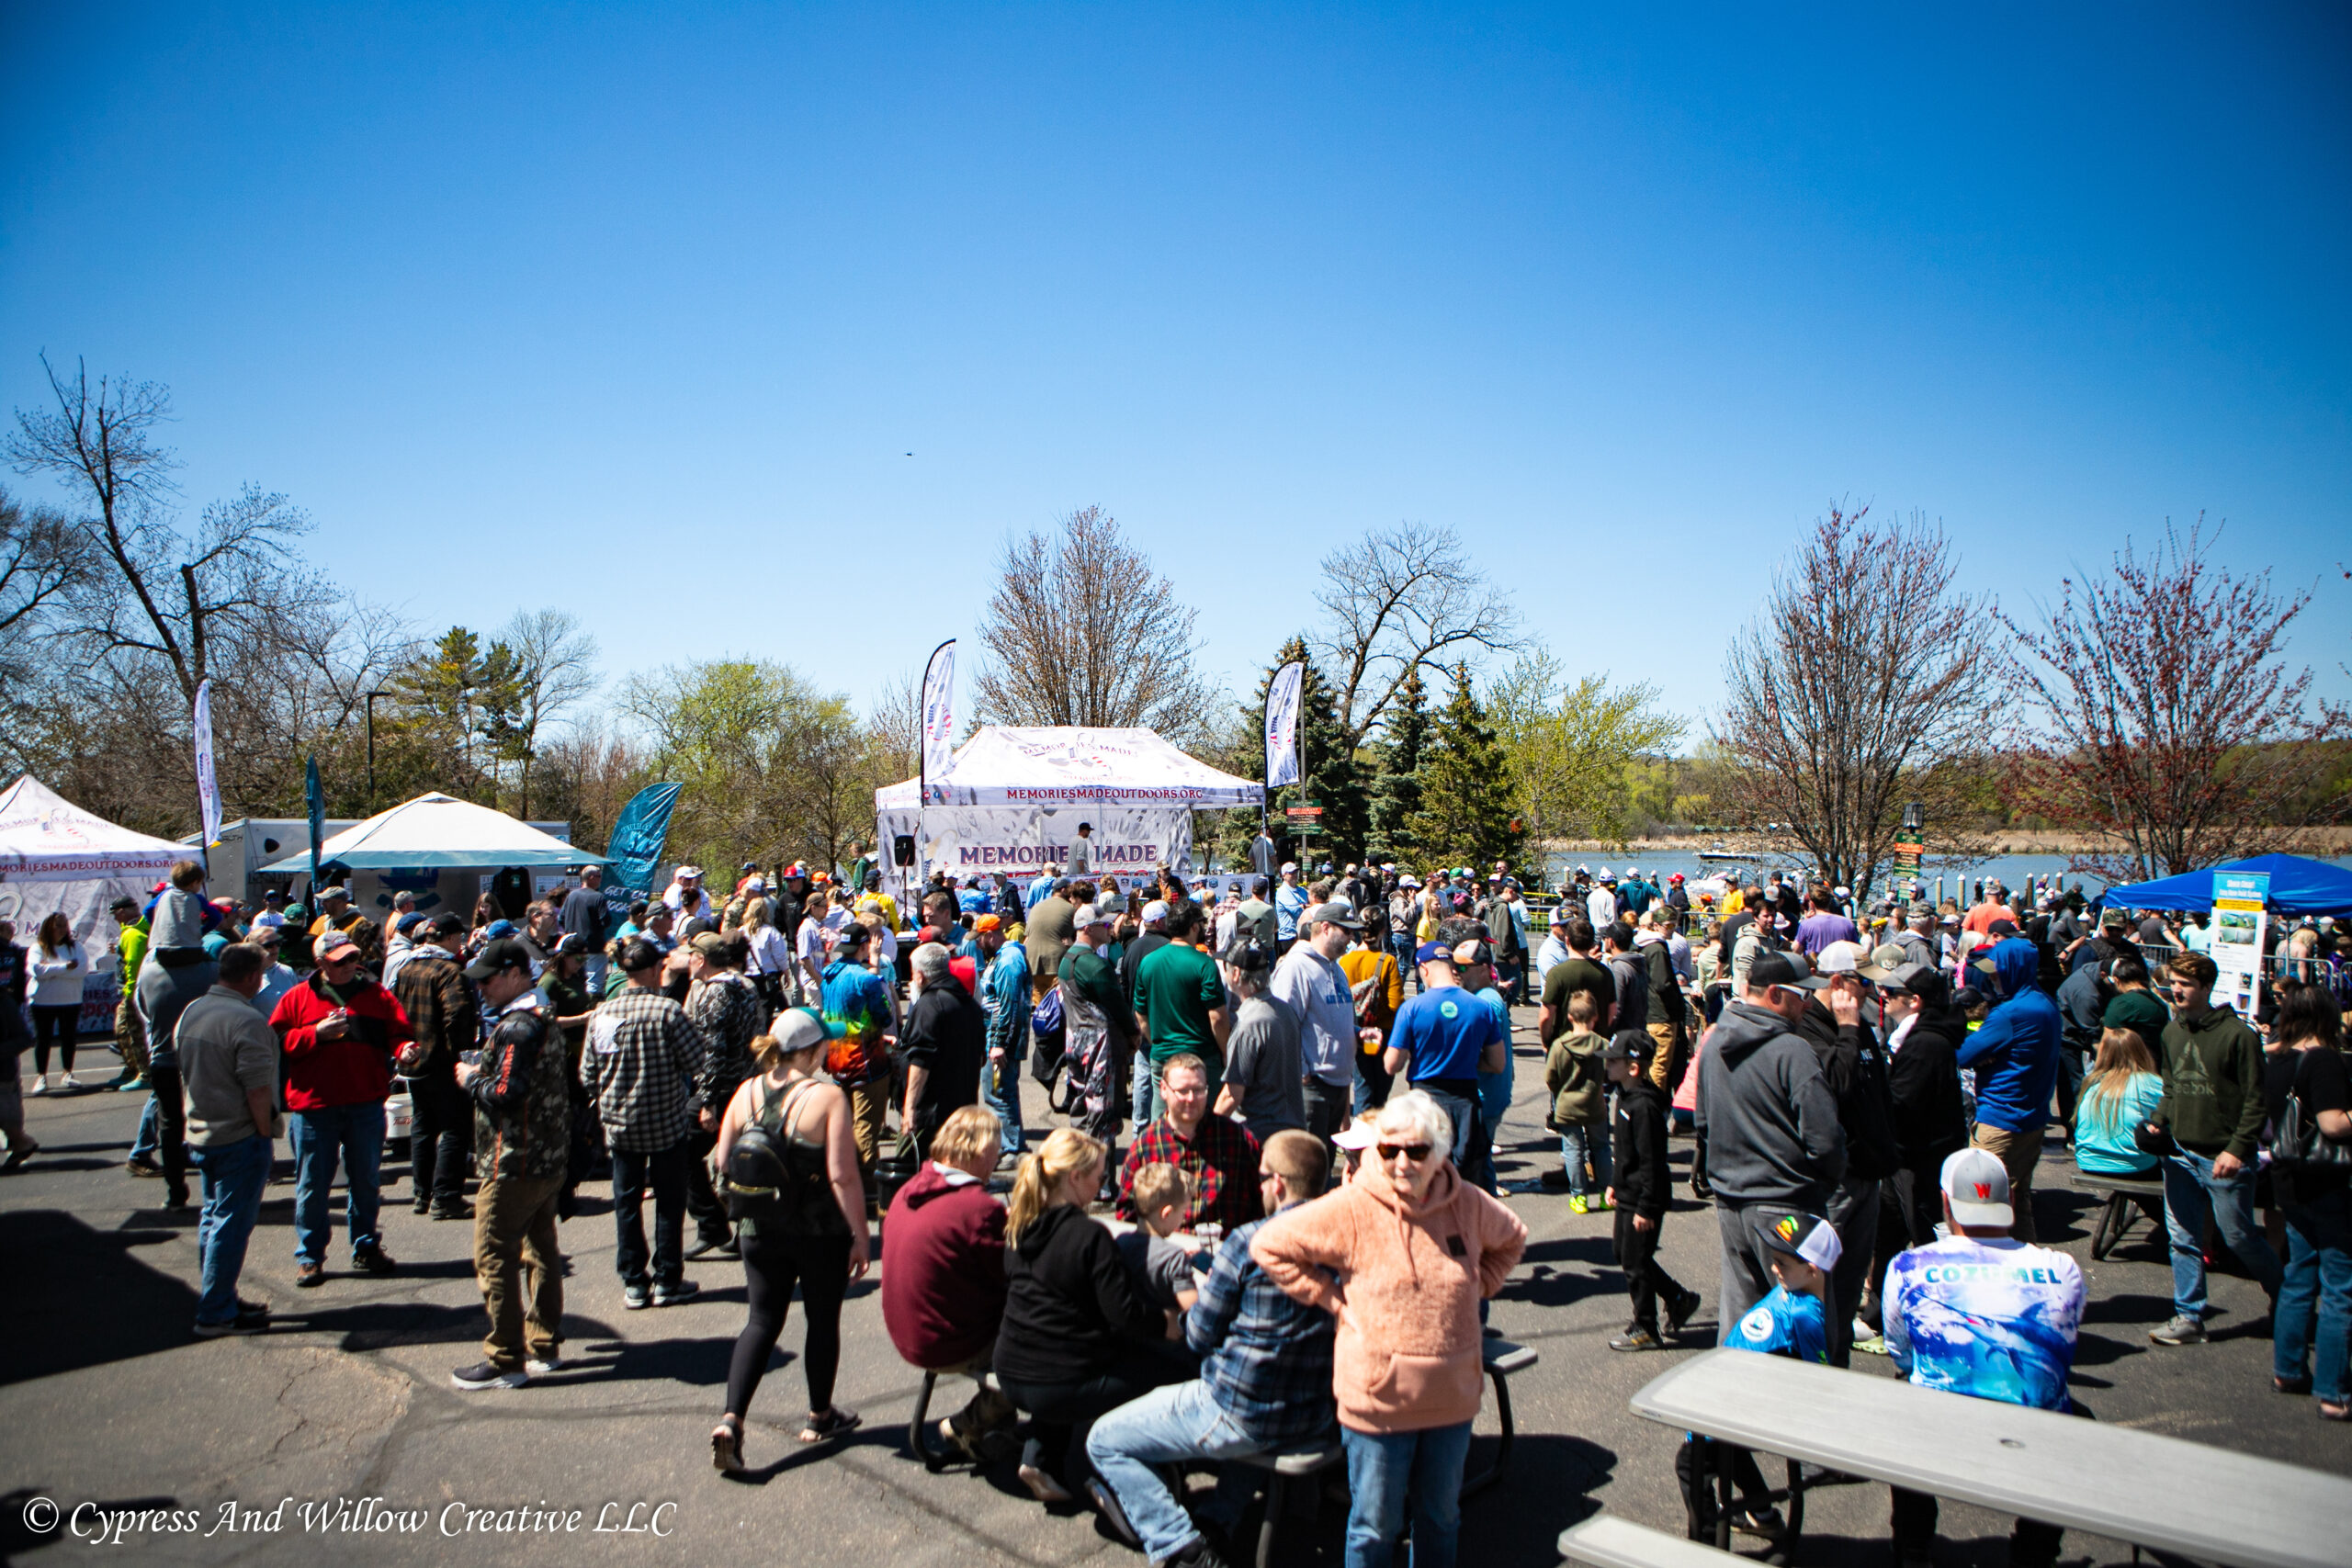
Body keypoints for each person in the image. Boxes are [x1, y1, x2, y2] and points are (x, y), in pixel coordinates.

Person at [1253, 1089, 1527, 1568]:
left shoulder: (1467, 1202)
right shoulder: (1352, 1206)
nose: (1402, 1162)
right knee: (1374, 1528)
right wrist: (1328, 1296)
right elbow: (1271, 1244)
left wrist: (1479, 1284)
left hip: (1451, 1398)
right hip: (1377, 1402)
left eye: (1416, 1151)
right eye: (1388, 1149)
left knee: (1441, 1518)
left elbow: (1512, 1238)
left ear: (1439, 1152)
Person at [1087, 1130, 1340, 1568]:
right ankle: (1219, 1519)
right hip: (1316, 1411)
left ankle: (1181, 1547)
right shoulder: (1347, 1240)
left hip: (1242, 1412)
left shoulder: (1251, 1241)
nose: (1260, 1187)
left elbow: (1199, 1335)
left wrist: (1190, 1308)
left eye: (1263, 1178)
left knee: (1103, 1441)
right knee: (1253, 1407)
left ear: (1278, 1184)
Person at [1883, 1149, 2085, 1568]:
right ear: (2008, 1199)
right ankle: (2035, 1555)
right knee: (2073, 1415)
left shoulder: (1908, 1265)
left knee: (1903, 1402)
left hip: (1943, 1434)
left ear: (1946, 1201)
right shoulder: (2062, 1268)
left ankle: (1913, 1547)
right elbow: (2061, 1348)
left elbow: (1900, 1353)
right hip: (2033, 1436)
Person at [708, 1011, 871, 1469]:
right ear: (811, 1051)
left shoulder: (747, 1091)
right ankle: (819, 1416)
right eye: (825, 1046)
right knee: (822, 1320)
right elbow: (842, 1176)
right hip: (819, 1230)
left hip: (760, 1227)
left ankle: (731, 1420)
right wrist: (861, 1235)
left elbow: (723, 1162)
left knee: (761, 1320)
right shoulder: (828, 1097)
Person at [994, 1128, 1184, 1506]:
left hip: (1010, 1369)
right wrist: (1167, 1322)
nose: (1102, 1182)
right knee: (1171, 1375)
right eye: (1099, 1175)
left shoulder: (1019, 1226)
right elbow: (1124, 1315)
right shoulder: (1089, 1236)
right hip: (1057, 1383)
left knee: (1064, 1358)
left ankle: (1041, 1458)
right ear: (1075, 1177)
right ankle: (1127, 1478)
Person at [441, 938, 571, 1389]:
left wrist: (472, 1078)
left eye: (490, 980)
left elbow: (506, 1092)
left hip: (515, 1160)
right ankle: (543, 1344)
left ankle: (506, 1358)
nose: (482, 988)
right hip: (546, 1155)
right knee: (540, 1249)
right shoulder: (541, 1014)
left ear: (516, 975)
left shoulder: (518, 1026)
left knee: (494, 1255)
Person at [1695, 948, 1847, 1327]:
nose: (1808, 1005)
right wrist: (1818, 1187)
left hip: (1731, 1200)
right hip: (1787, 1204)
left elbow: (1703, 1123)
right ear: (1776, 993)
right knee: (1804, 1320)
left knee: (1744, 1321)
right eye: (1802, 995)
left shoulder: (1714, 1042)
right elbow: (1825, 1138)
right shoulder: (1793, 1050)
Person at [1678, 1210, 1838, 1540]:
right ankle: (1763, 1515)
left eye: (1782, 1263)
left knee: (1690, 1465)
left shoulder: (1805, 1315)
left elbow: (1819, 1377)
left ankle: (1704, 1546)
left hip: (1738, 1404)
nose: (1774, 1268)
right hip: (1731, 1392)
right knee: (1731, 1455)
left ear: (1812, 1269)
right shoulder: (1794, 1289)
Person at [2148, 951, 2280, 1345]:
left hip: (2223, 1155)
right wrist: (2158, 1120)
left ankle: (2288, 1299)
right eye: (2174, 983)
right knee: (2183, 1238)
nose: (2176, 990)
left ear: (2207, 987)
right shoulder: (2172, 1032)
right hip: (2179, 1155)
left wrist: (2237, 1149)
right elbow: (2170, 1087)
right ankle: (2189, 1316)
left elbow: (2256, 1100)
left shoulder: (2238, 1035)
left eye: (2186, 984)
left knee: (2239, 1237)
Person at [270, 930, 413, 1286]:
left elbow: (398, 1033)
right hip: (315, 1106)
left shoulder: (377, 995)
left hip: (365, 1102)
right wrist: (315, 1034)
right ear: (321, 964)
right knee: (312, 1185)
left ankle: (365, 1247)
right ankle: (310, 1256)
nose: (350, 965)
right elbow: (279, 1041)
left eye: (352, 957)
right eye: (340, 961)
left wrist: (405, 1049)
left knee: (365, 1180)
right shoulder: (296, 997)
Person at [882, 1102, 1016, 1460]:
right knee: (1045, 1344)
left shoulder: (911, 1189)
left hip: (907, 1331)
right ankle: (970, 1422)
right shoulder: (978, 1209)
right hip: (946, 1341)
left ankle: (995, 1426)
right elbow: (1012, 1277)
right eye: (995, 1151)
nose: (996, 1160)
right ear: (981, 1151)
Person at [584, 936, 711, 1310]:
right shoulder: (668, 1012)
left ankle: (634, 1281)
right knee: (669, 1202)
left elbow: (589, 1072)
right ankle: (667, 1278)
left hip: (620, 1123)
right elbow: (696, 1061)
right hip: (665, 1122)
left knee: (626, 1202)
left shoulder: (605, 1013)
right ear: (656, 970)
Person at [1792, 942, 1902, 1365]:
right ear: (1837, 982)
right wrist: (1848, 1029)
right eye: (1863, 983)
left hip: (1869, 1172)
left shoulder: (1858, 1025)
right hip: (1837, 1179)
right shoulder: (1812, 1029)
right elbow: (1835, 1088)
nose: (1872, 992)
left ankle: (1837, 1360)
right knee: (1825, 1280)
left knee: (1851, 1280)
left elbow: (1878, 1089)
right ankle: (1818, 1364)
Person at [176, 942, 282, 1337]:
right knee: (230, 1225)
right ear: (252, 977)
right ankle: (216, 1310)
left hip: (202, 1131)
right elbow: (257, 1088)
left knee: (214, 1219)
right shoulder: (246, 1020)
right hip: (237, 1136)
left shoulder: (193, 1010)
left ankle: (220, 1296)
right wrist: (263, 1133)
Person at [2263, 981, 2352, 1419]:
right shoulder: (2323, 1060)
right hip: (2327, 1181)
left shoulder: (2278, 1059)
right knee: (2340, 1288)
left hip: (2289, 1181)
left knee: (2299, 1275)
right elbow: (2333, 1124)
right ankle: (2333, 1392)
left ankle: (2287, 1370)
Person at [1957, 934, 2061, 1243]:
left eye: (1997, 970)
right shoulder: (2046, 1003)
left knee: (1983, 1207)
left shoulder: (2009, 1014)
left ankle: (1990, 1265)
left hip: (2000, 1119)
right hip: (2033, 1118)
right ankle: (2027, 1261)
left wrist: (1986, 1055)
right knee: (2018, 1202)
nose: (1992, 977)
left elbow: (1962, 1055)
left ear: (2012, 969)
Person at [1382, 942, 1508, 1187]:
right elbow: (1497, 1063)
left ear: (1424, 969)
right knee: (1465, 1185)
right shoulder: (1481, 1008)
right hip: (1466, 1105)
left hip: (1425, 1104)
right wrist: (1465, 1056)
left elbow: (1391, 1065)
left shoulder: (1412, 1008)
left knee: (1426, 1182)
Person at [1604, 1032, 1700, 1350]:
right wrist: (1614, 1183)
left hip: (1645, 1197)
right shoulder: (1625, 1096)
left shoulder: (1644, 1106)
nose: (1607, 1065)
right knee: (1624, 1253)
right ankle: (1678, 1297)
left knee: (1636, 1262)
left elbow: (1652, 1161)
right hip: (1628, 1191)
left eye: (1613, 1061)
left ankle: (1646, 1326)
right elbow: (1625, 1151)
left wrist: (1646, 1207)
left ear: (1633, 1068)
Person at [391, 911, 480, 1221]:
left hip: (413, 1059)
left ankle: (422, 1193)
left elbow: (394, 1010)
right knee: (455, 1127)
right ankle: (446, 1197)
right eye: (459, 937)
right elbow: (457, 1013)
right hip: (442, 1061)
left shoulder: (407, 968)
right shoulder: (449, 970)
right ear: (451, 938)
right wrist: (460, 1054)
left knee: (423, 1125)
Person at [1117, 1054, 1263, 1232]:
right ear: (1164, 1089)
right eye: (1183, 1091)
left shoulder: (1238, 1140)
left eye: (1198, 1090)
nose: (1191, 1098)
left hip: (1227, 1246)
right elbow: (1126, 1216)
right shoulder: (1146, 1146)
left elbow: (1263, 1204)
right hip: (1168, 1246)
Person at [684, 931, 763, 1258]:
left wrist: (707, 1101)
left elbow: (713, 1052)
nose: (687, 962)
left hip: (723, 1088)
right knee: (741, 1160)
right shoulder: (743, 986)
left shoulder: (716, 992)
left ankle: (712, 1224)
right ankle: (743, 1231)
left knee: (682, 1150)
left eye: (691, 956)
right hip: (745, 1084)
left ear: (701, 960)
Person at [1271, 900, 1362, 1148]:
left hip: (1338, 1083)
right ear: (1325, 928)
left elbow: (1329, 1019)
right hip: (1312, 1088)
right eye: (1346, 931)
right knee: (1308, 1161)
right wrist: (1302, 1072)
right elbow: (1282, 1024)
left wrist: (1358, 1034)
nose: (1351, 938)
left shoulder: (1337, 969)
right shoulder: (1297, 967)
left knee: (1325, 1161)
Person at [1134, 900, 1228, 1122]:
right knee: (1206, 1124)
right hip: (1201, 1058)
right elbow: (1217, 1017)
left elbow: (1141, 1014)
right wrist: (1226, 1052)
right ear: (1194, 927)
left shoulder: (1148, 963)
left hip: (1163, 1058)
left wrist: (1156, 1042)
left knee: (1163, 1123)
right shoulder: (1204, 964)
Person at [817, 921, 897, 1172]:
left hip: (837, 1060)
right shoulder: (866, 979)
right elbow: (885, 1016)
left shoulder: (828, 976)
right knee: (865, 1129)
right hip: (865, 1063)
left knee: (843, 1128)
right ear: (864, 946)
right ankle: (867, 1187)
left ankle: (842, 1178)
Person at [1215, 936, 1303, 1143]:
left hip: (1260, 1138)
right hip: (1292, 1130)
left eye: (1226, 967)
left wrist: (1205, 1131)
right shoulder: (1286, 1011)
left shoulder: (1249, 1023)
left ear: (1236, 974)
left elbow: (1232, 1094)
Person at [903, 942, 986, 1158]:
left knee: (918, 1166)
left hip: (932, 1114)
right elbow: (980, 1057)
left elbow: (921, 1059)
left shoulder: (929, 1005)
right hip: (963, 1108)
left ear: (920, 976)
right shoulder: (970, 1004)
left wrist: (909, 1107)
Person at [1544, 988, 1611, 1210]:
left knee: (1573, 1150)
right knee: (1601, 1147)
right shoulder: (1603, 1044)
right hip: (1595, 1103)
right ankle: (1606, 1193)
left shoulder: (1559, 1045)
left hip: (1567, 1105)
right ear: (1595, 1016)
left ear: (1570, 1017)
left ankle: (1579, 1196)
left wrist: (1560, 1092)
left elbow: (1550, 1077)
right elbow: (1609, 1073)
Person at [2071, 1027, 2165, 1179]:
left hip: (2088, 1160)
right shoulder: (2151, 1082)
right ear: (2141, 1051)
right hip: (2135, 1165)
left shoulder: (2092, 1082)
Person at [976, 915, 1031, 1164]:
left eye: (979, 940)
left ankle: (1011, 1149)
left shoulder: (1009, 960)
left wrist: (999, 1044)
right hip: (997, 1037)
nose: (978, 946)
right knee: (998, 1091)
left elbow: (1009, 1004)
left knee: (999, 1092)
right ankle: (1010, 1144)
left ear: (989, 936)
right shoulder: (1002, 957)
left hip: (1001, 1040)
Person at [27, 911, 86, 1092]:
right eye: (58, 926)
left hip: (71, 1000)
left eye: (64, 925)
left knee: (68, 1038)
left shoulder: (76, 947)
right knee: (43, 1039)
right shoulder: (37, 947)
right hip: (42, 1002)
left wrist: (51, 969)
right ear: (49, 927)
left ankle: (68, 1073)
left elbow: (81, 971)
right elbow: (37, 971)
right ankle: (41, 1076)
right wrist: (66, 967)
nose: (62, 929)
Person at [107, 896, 151, 1091]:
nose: (115, 918)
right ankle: (132, 1068)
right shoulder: (132, 931)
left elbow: (134, 965)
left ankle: (144, 1073)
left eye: (115, 914)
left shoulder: (133, 933)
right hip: (133, 991)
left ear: (123, 911)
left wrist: (131, 993)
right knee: (123, 1030)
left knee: (132, 1032)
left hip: (133, 992)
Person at [560, 865, 613, 994]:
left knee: (575, 980)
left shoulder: (571, 895)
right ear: (591, 877)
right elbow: (605, 921)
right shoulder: (598, 897)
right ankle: (592, 1004)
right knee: (594, 984)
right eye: (599, 876)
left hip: (573, 948)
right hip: (593, 948)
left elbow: (561, 918)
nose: (600, 879)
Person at [1272, 863, 1310, 957]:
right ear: (1284, 875)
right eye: (1291, 873)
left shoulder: (1302, 891)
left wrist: (1304, 906)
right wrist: (1307, 907)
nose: (1295, 875)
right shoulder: (1283, 891)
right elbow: (1297, 911)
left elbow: (1313, 905)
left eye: (1296, 872)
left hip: (1302, 936)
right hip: (1288, 937)